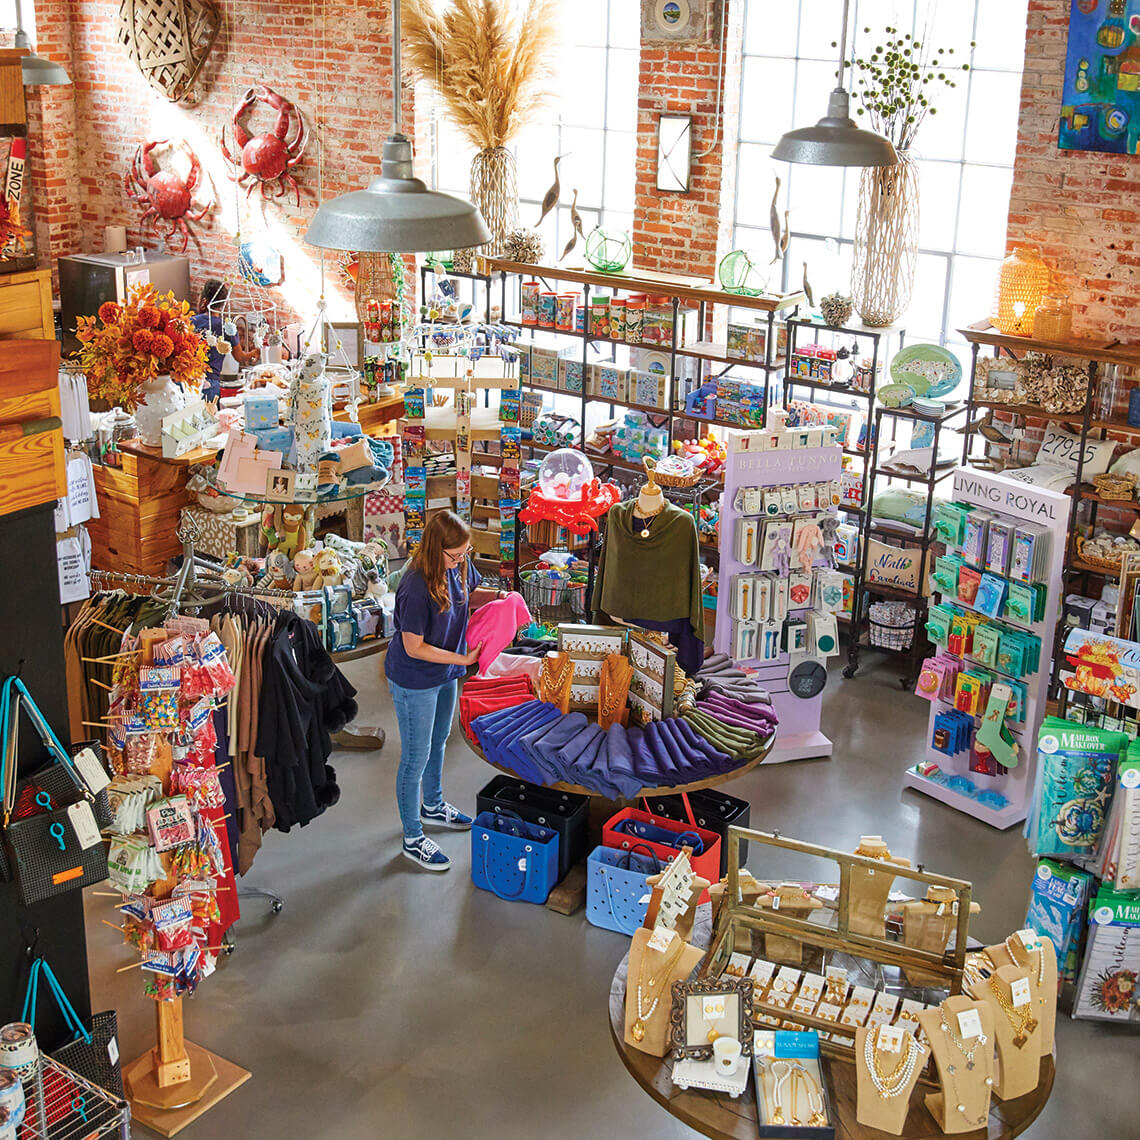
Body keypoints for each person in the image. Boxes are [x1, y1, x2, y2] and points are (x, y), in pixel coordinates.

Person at [384, 510, 498, 871]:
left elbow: (475, 595)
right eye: (455, 555)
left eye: (466, 553)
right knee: (415, 757)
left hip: (446, 671)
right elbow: (414, 646)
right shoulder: (414, 586)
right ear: (436, 550)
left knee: (438, 741)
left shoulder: (459, 566)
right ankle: (412, 838)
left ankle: (432, 805)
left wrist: (506, 600)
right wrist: (464, 660)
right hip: (415, 677)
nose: (462, 560)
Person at [191, 278, 229, 402]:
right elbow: (241, 357)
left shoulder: (192, 321)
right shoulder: (225, 327)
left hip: (190, 380)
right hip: (211, 383)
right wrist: (255, 353)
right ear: (223, 304)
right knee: (211, 419)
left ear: (203, 300)